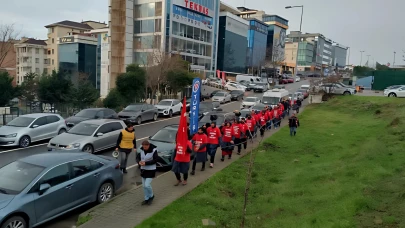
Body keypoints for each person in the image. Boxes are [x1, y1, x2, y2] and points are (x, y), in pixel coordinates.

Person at [136, 140, 158, 205]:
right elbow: (137, 158)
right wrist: (139, 162)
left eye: (145, 146)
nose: (144, 148)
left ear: (148, 145)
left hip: (151, 170)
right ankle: (146, 198)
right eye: (143, 146)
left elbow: (156, 160)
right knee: (144, 186)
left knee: (147, 185)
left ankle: (151, 196)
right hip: (143, 170)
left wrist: (146, 163)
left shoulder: (154, 151)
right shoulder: (141, 150)